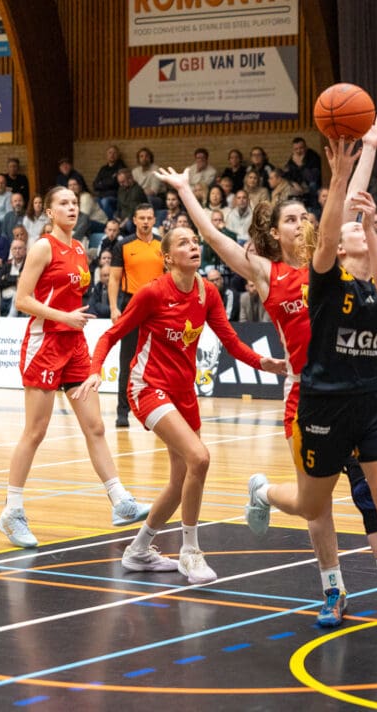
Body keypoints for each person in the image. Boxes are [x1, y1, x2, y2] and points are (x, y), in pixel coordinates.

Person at [157, 133, 377, 628]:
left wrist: (369, 147)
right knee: (317, 504)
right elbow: (215, 238)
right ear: (275, 232)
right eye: (291, 218)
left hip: (354, 390)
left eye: (306, 216)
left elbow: (351, 202)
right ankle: (332, 588)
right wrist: (184, 191)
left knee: (371, 493)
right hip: (305, 395)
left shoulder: (327, 259)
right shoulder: (267, 272)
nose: (302, 222)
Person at [244, 122, 377, 657]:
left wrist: (370, 223)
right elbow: (331, 230)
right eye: (349, 224)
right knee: (311, 504)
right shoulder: (322, 279)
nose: (353, 222)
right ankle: (264, 492)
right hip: (323, 406)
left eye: (360, 223)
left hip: (376, 407)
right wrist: (344, 170)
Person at [72, 226, 284, 582]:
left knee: (180, 479)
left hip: (184, 392)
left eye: (195, 242)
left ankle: (138, 549)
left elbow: (231, 342)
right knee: (200, 457)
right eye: (184, 243)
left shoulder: (208, 292)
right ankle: (190, 551)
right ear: (168, 258)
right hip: (147, 387)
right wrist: (95, 372)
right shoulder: (152, 293)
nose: (193, 246)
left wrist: (263, 363)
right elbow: (111, 335)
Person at [0, 186, 152, 549]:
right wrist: (62, 317)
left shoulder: (80, 248)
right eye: (63, 203)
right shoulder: (43, 247)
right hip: (45, 343)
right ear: (50, 212)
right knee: (35, 432)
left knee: (95, 426)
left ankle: (120, 500)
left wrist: (71, 321)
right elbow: (23, 299)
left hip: (74, 345)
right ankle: (12, 511)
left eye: (74, 203)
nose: (71, 207)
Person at [109, 204, 164, 428]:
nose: (145, 222)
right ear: (134, 220)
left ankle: (160, 411)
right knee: (128, 361)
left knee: (160, 361)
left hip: (158, 306)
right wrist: (114, 307)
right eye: (141, 218)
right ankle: (122, 412)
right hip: (131, 304)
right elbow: (114, 278)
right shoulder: (123, 245)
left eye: (149, 218)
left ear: (154, 220)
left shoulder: (163, 244)